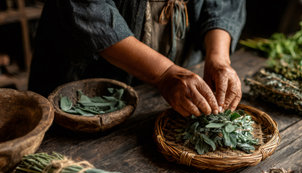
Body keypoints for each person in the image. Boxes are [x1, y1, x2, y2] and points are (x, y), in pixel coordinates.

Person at [28, 0, 246, 116]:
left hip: (178, 54)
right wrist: (163, 72)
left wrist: (219, 59)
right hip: (93, 62)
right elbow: (86, 7)